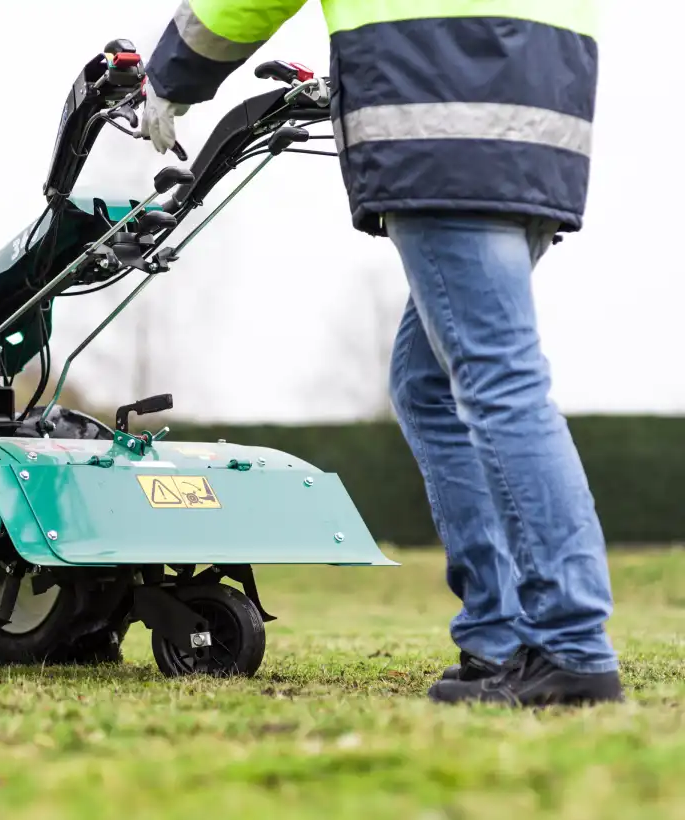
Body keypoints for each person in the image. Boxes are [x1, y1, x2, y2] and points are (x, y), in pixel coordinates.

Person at [139, 0, 623, 707]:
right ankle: (497, 634)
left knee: (499, 378)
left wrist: (172, 73)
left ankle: (571, 644)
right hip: (538, 114)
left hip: (442, 108)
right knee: (428, 384)